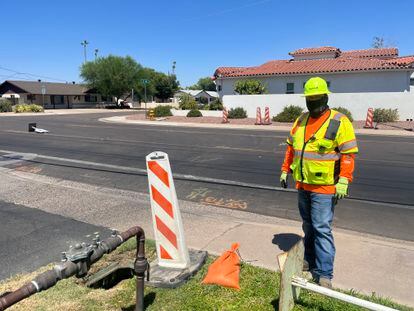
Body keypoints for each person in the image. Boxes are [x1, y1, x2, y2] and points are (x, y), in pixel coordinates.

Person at [280, 77, 358, 288]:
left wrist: (344, 180)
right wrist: (285, 170)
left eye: (316, 98)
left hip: (325, 187)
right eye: (309, 99)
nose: (313, 102)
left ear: (325, 97)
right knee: (308, 226)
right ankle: (309, 260)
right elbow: (291, 148)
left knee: (322, 228)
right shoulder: (301, 120)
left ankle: (324, 274)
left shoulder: (339, 121)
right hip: (303, 184)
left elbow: (348, 154)